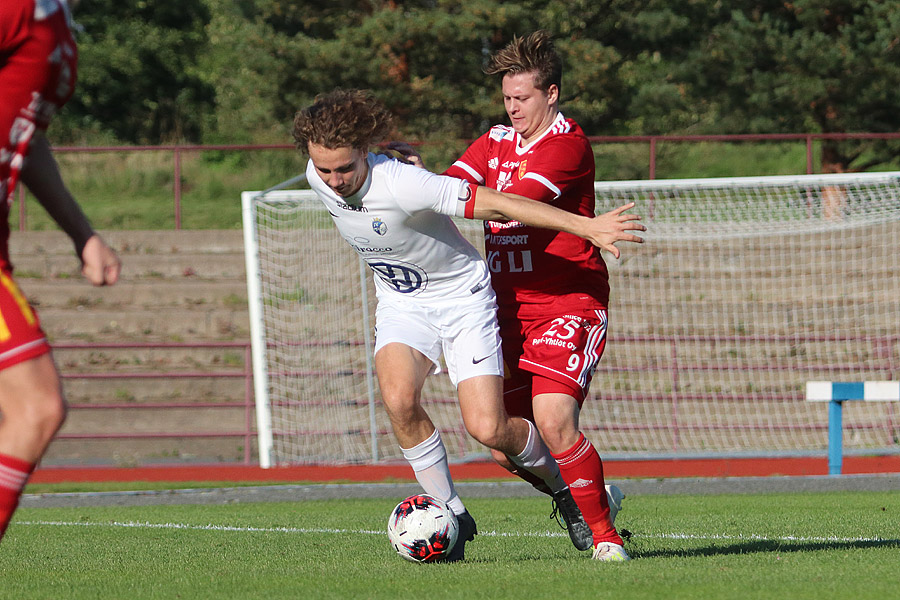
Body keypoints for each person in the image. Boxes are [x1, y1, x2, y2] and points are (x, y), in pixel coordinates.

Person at [292, 89, 642, 562]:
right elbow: (342, 167)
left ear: (363, 151)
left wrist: (587, 228)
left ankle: (565, 491)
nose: (334, 180)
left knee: (489, 430)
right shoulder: (319, 174)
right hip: (401, 303)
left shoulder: (404, 184)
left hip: (463, 301)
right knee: (398, 400)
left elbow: (501, 205)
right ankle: (451, 513)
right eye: (324, 169)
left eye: (345, 169)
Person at [392, 30, 639, 562]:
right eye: (506, 98)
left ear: (551, 94)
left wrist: (446, 195)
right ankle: (580, 496)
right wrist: (418, 181)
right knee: (502, 442)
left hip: (566, 301)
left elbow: (504, 205)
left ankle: (605, 537)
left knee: (552, 420)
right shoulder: (496, 139)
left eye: (522, 98)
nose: (513, 108)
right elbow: (452, 188)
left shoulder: (567, 146)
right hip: (501, 308)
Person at [0, 0, 121, 543]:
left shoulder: (55, 19)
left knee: (35, 409)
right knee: (36, 407)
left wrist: (81, 232)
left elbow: (26, 133)